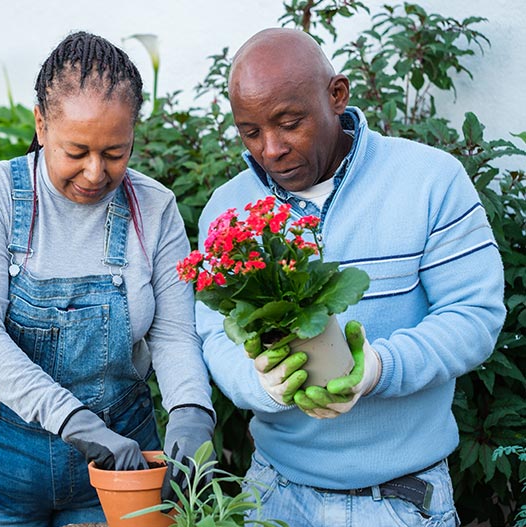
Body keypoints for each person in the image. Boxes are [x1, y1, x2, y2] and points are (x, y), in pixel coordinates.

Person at [196, 28, 505, 527]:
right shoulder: (228, 209)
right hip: (273, 492)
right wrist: (262, 383)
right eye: (250, 132)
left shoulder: (430, 180)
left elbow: (475, 317)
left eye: (289, 123)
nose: (270, 149)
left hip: (400, 499)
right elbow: (213, 333)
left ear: (336, 95)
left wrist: (377, 369)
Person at [0, 31, 215, 526]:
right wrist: (74, 419)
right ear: (42, 125)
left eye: (115, 153)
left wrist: (192, 410)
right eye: (77, 151)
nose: (94, 172)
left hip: (123, 461)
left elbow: (173, 333)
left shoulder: (154, 208)